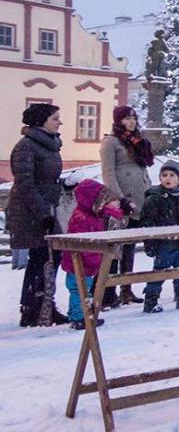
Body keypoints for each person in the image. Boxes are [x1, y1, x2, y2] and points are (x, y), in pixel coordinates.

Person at [8, 103, 69, 327]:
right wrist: (43, 213)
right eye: (55, 118)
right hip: (31, 212)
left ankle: (42, 305)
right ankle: (33, 308)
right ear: (41, 121)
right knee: (42, 258)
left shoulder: (48, 145)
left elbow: (46, 179)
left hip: (45, 209)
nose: (59, 122)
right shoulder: (26, 146)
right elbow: (25, 184)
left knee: (49, 257)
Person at [99, 105, 153, 307]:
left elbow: (143, 168)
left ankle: (127, 288)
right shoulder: (111, 142)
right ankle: (108, 291)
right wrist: (119, 198)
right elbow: (109, 173)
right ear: (118, 121)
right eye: (126, 119)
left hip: (138, 200)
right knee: (116, 249)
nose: (131, 122)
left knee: (130, 247)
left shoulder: (138, 142)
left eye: (133, 118)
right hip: (121, 202)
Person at [61, 179, 126, 329]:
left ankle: (78, 314)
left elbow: (108, 213)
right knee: (79, 290)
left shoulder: (93, 213)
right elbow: (84, 244)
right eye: (101, 202)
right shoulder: (82, 218)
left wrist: (117, 212)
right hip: (78, 262)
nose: (103, 205)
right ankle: (78, 317)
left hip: (87, 262)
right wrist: (94, 260)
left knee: (83, 290)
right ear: (90, 201)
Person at [140, 160, 179, 313]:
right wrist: (150, 243)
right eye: (164, 175)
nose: (168, 178)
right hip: (163, 242)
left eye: (172, 175)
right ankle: (151, 300)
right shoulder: (155, 197)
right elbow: (148, 221)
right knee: (159, 272)